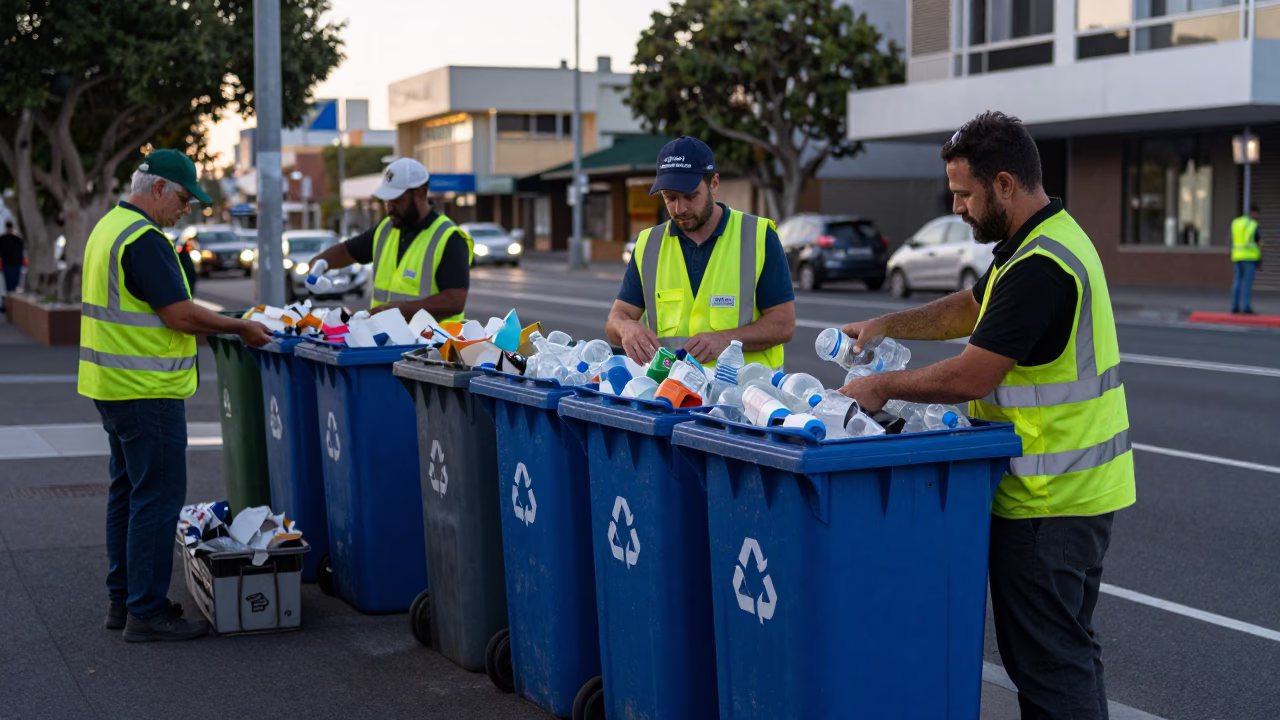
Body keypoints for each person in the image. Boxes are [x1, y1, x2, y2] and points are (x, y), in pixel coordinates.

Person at [838, 112, 1135, 720]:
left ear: (1004, 184)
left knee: (1048, 667)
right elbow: (972, 308)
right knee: (1067, 655)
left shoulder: (1040, 266)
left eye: (964, 194)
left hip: (1048, 502)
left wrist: (880, 387)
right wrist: (886, 325)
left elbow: (971, 375)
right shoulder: (1034, 241)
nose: (956, 207)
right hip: (1067, 494)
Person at [78, 149, 272, 642]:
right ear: (159, 188)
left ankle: (123, 602)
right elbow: (179, 315)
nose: (187, 209)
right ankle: (146, 611)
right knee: (158, 498)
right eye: (184, 198)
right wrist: (239, 327)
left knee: (128, 493)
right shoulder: (144, 239)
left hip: (113, 386)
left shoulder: (108, 228)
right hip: (147, 390)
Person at [606, 136, 795, 368]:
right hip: (672, 397)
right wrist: (627, 328)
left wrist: (726, 340)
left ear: (714, 184)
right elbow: (617, 318)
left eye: (691, 196)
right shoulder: (648, 244)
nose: (680, 208)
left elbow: (783, 324)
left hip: (747, 396)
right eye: (670, 197)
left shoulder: (758, 236)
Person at [307, 157, 472, 322]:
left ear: (420, 193)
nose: (390, 208)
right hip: (388, 342)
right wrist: (321, 262)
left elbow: (454, 301)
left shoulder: (449, 238)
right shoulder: (386, 230)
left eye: (398, 201)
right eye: (387, 202)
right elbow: (347, 251)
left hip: (434, 344)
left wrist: (401, 310)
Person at [1230, 205, 1262, 314]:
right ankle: (1246, 307)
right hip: (1249, 257)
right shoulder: (1253, 224)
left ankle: (1234, 307)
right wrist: (1260, 259)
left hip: (1237, 256)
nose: (1258, 216)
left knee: (1237, 281)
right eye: (1257, 214)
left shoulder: (1235, 223)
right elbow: (1258, 242)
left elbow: (1232, 239)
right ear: (1253, 213)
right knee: (1247, 283)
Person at [0, 220, 24, 311]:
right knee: (14, 286)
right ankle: (12, 306)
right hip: (16, 265)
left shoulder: (2, 239)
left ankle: (8, 305)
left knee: (8, 286)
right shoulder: (18, 239)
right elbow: (21, 253)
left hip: (7, 265)